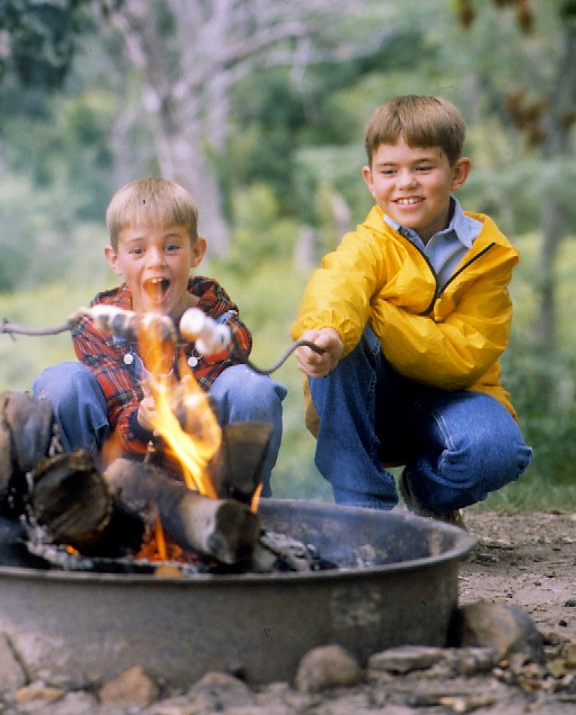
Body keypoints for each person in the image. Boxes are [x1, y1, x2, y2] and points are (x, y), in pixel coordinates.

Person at [291, 95, 532, 526]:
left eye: (422, 167)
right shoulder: (368, 244)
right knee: (340, 337)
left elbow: (464, 356)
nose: (406, 183)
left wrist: (379, 315)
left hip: (453, 398)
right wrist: (326, 331)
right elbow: (339, 284)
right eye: (390, 171)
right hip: (375, 405)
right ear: (370, 179)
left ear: (457, 173)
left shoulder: (488, 253)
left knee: (499, 453)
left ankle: (427, 493)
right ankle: (366, 515)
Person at [33, 177, 287, 495]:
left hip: (202, 478)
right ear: (115, 259)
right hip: (118, 477)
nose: (156, 261)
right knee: (62, 380)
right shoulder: (99, 325)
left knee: (252, 388)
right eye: (138, 250)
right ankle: (77, 508)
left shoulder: (218, 320)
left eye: (171, 247)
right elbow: (116, 415)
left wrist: (188, 387)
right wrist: (142, 420)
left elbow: (236, 343)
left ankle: (241, 511)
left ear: (196, 252)